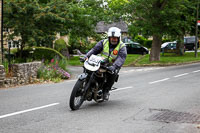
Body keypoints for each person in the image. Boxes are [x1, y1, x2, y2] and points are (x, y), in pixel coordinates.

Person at [85, 27, 127, 100]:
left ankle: (106, 91)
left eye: (115, 38)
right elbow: (94, 50)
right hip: (102, 62)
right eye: (112, 37)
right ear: (109, 37)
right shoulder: (103, 42)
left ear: (118, 38)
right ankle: (86, 84)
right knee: (89, 68)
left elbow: (121, 58)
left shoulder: (122, 46)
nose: (113, 39)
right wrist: (86, 56)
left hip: (113, 64)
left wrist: (114, 66)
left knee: (113, 73)